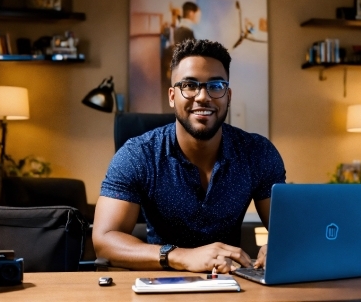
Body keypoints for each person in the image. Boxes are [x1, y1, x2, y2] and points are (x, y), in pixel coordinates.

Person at [93, 39, 286, 273]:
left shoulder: (257, 152)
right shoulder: (137, 154)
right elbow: (104, 240)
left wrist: (279, 246)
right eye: (190, 85)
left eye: (216, 86)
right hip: (161, 287)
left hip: (232, 285)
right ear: (172, 96)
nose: (203, 96)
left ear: (228, 96)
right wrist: (182, 257)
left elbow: (285, 231)